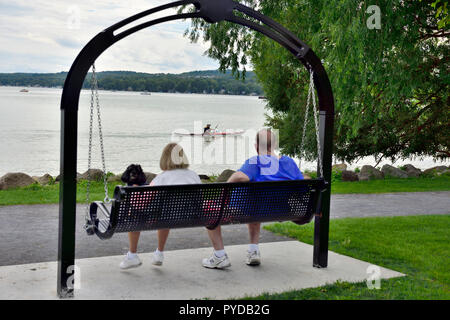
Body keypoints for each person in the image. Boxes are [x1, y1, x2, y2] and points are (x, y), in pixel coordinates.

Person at [202, 128, 304, 269]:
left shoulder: (256, 161)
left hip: (245, 211)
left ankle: (219, 256)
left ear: (256, 146)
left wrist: (226, 187)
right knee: (255, 204)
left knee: (208, 209)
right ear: (274, 145)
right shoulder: (289, 163)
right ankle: (253, 251)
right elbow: (303, 185)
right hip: (279, 210)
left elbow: (240, 177)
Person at [120, 143, 201, 269]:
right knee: (167, 212)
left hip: (167, 217)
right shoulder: (193, 175)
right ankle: (159, 254)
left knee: (134, 214)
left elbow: (141, 203)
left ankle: (132, 256)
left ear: (165, 158)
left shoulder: (162, 178)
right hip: (192, 217)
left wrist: (135, 189)